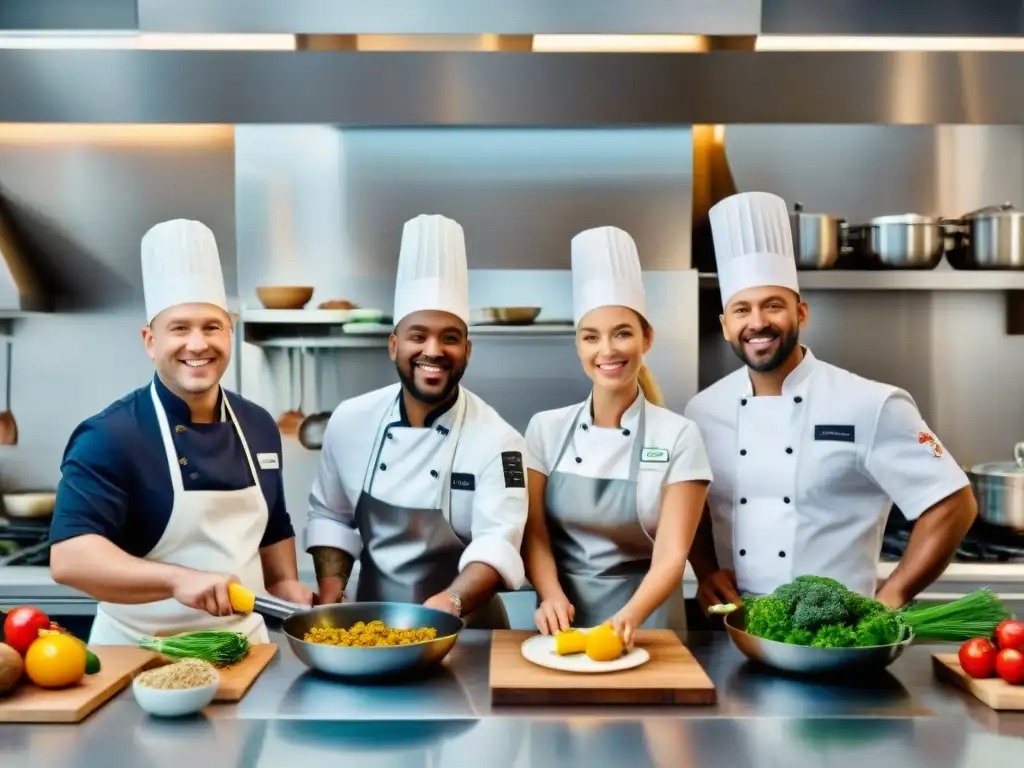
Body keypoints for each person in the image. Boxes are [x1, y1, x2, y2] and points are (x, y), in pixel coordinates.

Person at [684, 191, 978, 614]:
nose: (758, 322)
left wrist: (893, 595)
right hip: (736, 627)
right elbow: (689, 505)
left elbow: (954, 502)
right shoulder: (702, 411)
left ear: (801, 313)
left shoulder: (871, 404)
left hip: (838, 636)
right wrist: (706, 568)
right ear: (726, 326)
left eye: (773, 306)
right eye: (741, 310)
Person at [49, 219, 312, 645]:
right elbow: (70, 558)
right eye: (179, 328)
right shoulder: (110, 435)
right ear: (150, 340)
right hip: (137, 654)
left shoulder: (259, 424)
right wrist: (176, 580)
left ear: (231, 331)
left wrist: (284, 584)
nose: (197, 344)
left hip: (244, 650)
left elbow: (273, 525)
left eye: (211, 326)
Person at [304, 213, 528, 629]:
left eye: (450, 337)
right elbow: (332, 516)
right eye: (418, 335)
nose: (433, 350)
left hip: (468, 631)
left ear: (468, 349)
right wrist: (331, 593)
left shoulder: (500, 441)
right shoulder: (350, 421)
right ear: (393, 345)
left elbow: (498, 541)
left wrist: (452, 602)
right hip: (367, 625)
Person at [522, 226, 713, 645]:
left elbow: (671, 556)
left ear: (647, 338)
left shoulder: (679, 435)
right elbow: (534, 533)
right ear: (579, 346)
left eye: (622, 333)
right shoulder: (544, 429)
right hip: (562, 625)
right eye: (592, 337)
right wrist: (549, 594)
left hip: (649, 624)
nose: (606, 350)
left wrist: (626, 621)